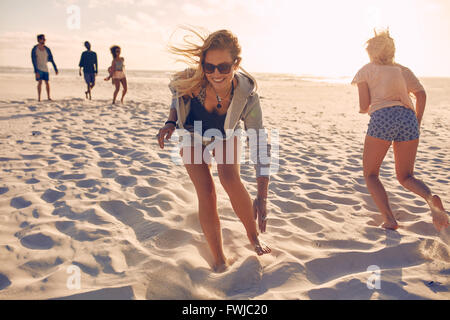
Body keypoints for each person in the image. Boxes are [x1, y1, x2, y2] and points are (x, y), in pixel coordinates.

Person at [157, 29, 271, 272]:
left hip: (225, 134)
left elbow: (260, 142)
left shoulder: (248, 96)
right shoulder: (191, 81)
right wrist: (170, 122)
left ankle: (253, 236)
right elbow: (177, 97)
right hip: (192, 133)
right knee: (206, 190)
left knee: (230, 179)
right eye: (209, 67)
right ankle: (219, 258)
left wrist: (262, 196)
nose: (216, 74)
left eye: (223, 67)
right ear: (203, 65)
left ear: (236, 64)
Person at [352, 30, 449, 232]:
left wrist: (369, 103)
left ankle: (389, 219)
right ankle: (431, 199)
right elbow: (421, 95)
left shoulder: (366, 70)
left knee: (370, 174)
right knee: (406, 176)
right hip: (408, 119)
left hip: (383, 118)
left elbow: (363, 106)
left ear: (372, 53)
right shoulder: (403, 70)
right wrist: (417, 120)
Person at [31, 34, 58, 101]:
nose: (44, 40)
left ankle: (48, 97)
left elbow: (51, 59)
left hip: (45, 69)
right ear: (38, 40)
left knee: (47, 82)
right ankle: (39, 98)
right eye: (42, 39)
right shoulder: (35, 49)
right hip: (39, 68)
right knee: (40, 82)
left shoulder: (47, 49)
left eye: (44, 39)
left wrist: (55, 68)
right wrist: (36, 71)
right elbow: (33, 61)